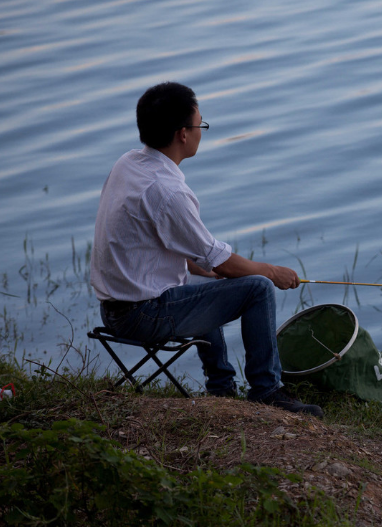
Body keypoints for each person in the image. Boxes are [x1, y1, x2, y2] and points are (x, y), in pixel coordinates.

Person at [90, 81, 322, 418]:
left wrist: (204, 269)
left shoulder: (128, 164)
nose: (202, 131)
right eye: (201, 124)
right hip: (142, 315)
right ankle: (267, 390)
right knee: (256, 289)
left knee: (208, 283)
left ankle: (221, 387)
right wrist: (272, 272)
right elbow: (222, 262)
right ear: (183, 134)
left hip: (113, 309)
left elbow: (156, 242)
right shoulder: (168, 191)